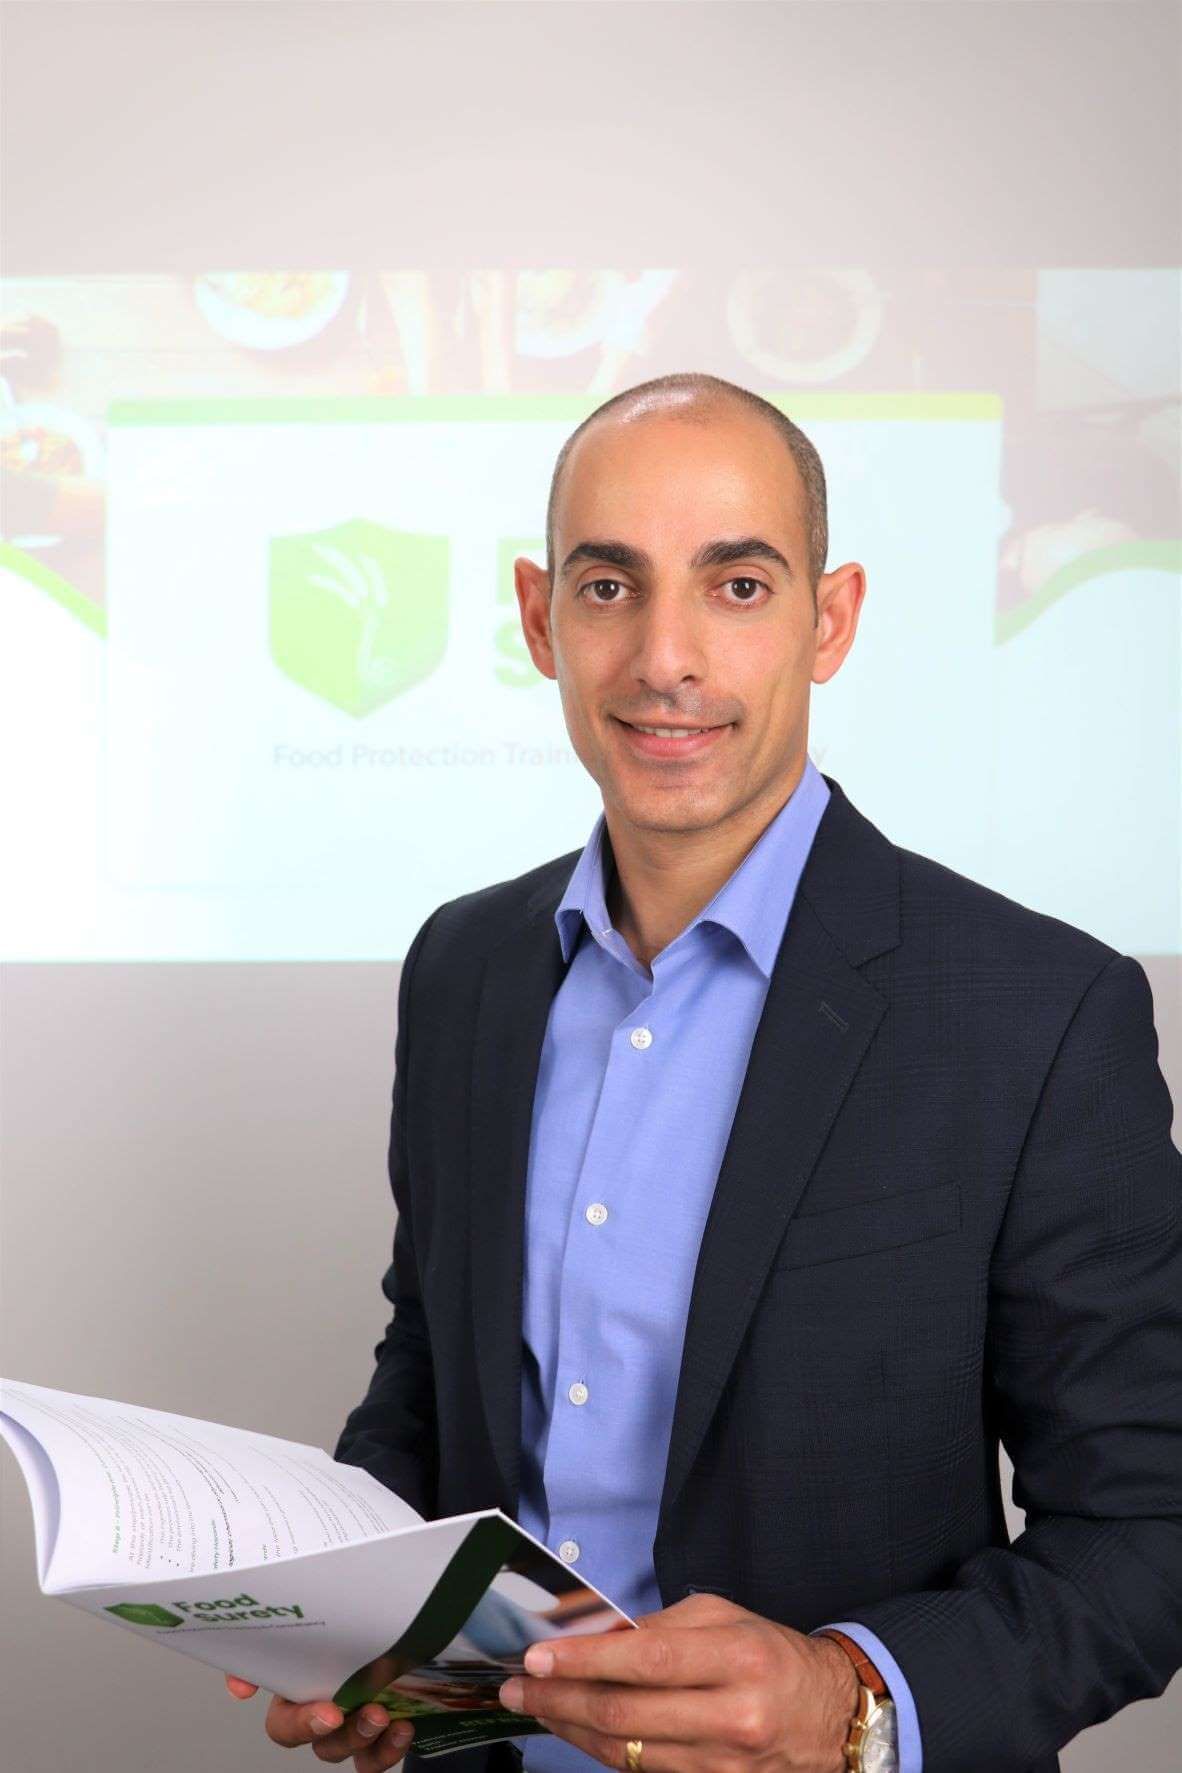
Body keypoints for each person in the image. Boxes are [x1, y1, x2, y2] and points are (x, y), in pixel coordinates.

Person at [226, 372, 1182, 1773]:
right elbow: (429, 1376)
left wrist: (848, 1698)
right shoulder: (464, 969)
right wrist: (351, 1623)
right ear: (539, 618)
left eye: (735, 586)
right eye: (608, 587)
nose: (663, 657)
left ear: (830, 617)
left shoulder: (1036, 1011)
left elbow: (1147, 1522)